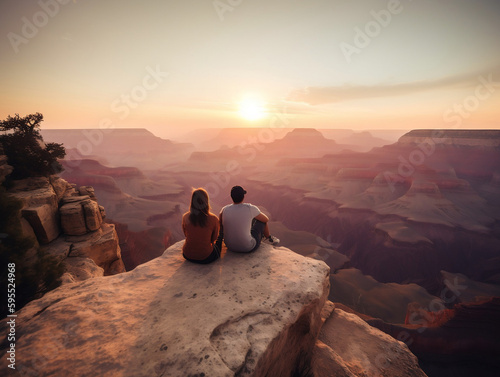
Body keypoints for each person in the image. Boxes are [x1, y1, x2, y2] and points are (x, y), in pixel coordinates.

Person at [219, 185, 279, 253]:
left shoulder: (224, 209)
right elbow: (266, 219)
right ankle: (269, 238)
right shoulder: (250, 208)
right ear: (243, 196)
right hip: (247, 247)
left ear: (231, 196)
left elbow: (220, 224)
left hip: (230, 246)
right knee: (261, 221)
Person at [182, 188, 223, 264]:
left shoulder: (185, 217)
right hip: (205, 257)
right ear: (206, 201)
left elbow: (186, 234)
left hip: (187, 255)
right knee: (220, 237)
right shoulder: (213, 219)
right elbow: (213, 239)